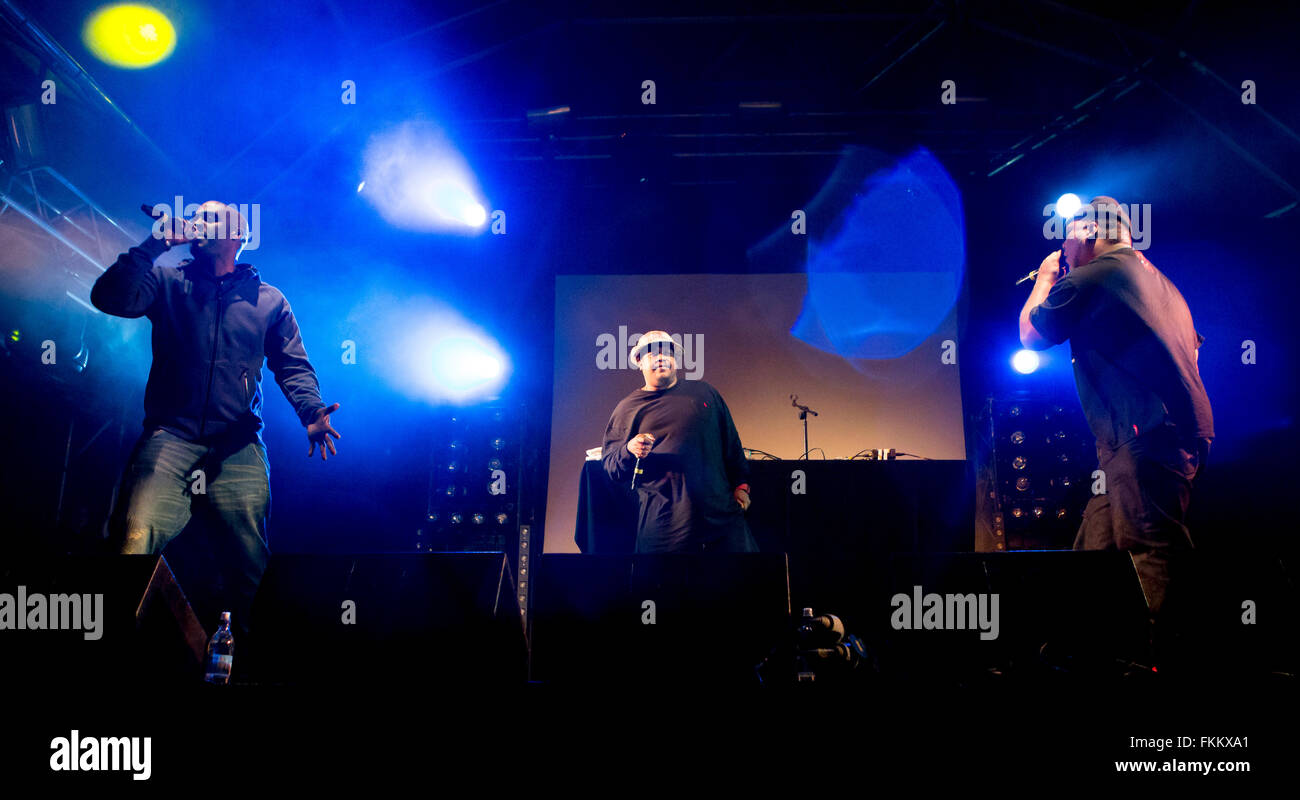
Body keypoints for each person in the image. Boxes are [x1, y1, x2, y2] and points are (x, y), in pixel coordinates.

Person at [92, 200, 342, 639]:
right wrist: (155, 244)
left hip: (237, 445)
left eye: (209, 217)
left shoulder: (269, 301)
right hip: (171, 437)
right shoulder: (169, 282)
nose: (197, 222)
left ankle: (252, 668)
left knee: (250, 565)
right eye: (195, 216)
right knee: (134, 539)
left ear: (238, 233)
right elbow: (109, 297)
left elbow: (293, 366)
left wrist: (312, 412)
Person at [1019, 196, 1213, 671]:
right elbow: (1193, 352)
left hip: (1143, 437)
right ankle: (1084, 659)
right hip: (1159, 435)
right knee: (1097, 550)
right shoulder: (1161, 283)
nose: (1064, 250)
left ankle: (1160, 669)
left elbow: (1031, 334)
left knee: (1149, 553)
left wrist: (1046, 278)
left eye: (1065, 240)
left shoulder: (1097, 272)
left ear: (1086, 233)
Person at [600, 330, 756, 553]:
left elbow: (731, 443)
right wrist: (629, 449)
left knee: (745, 584)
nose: (661, 357)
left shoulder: (704, 393)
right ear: (639, 361)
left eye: (667, 352)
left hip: (721, 519)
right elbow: (611, 467)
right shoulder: (628, 409)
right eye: (652, 353)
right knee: (664, 588)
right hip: (666, 529)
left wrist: (741, 486)